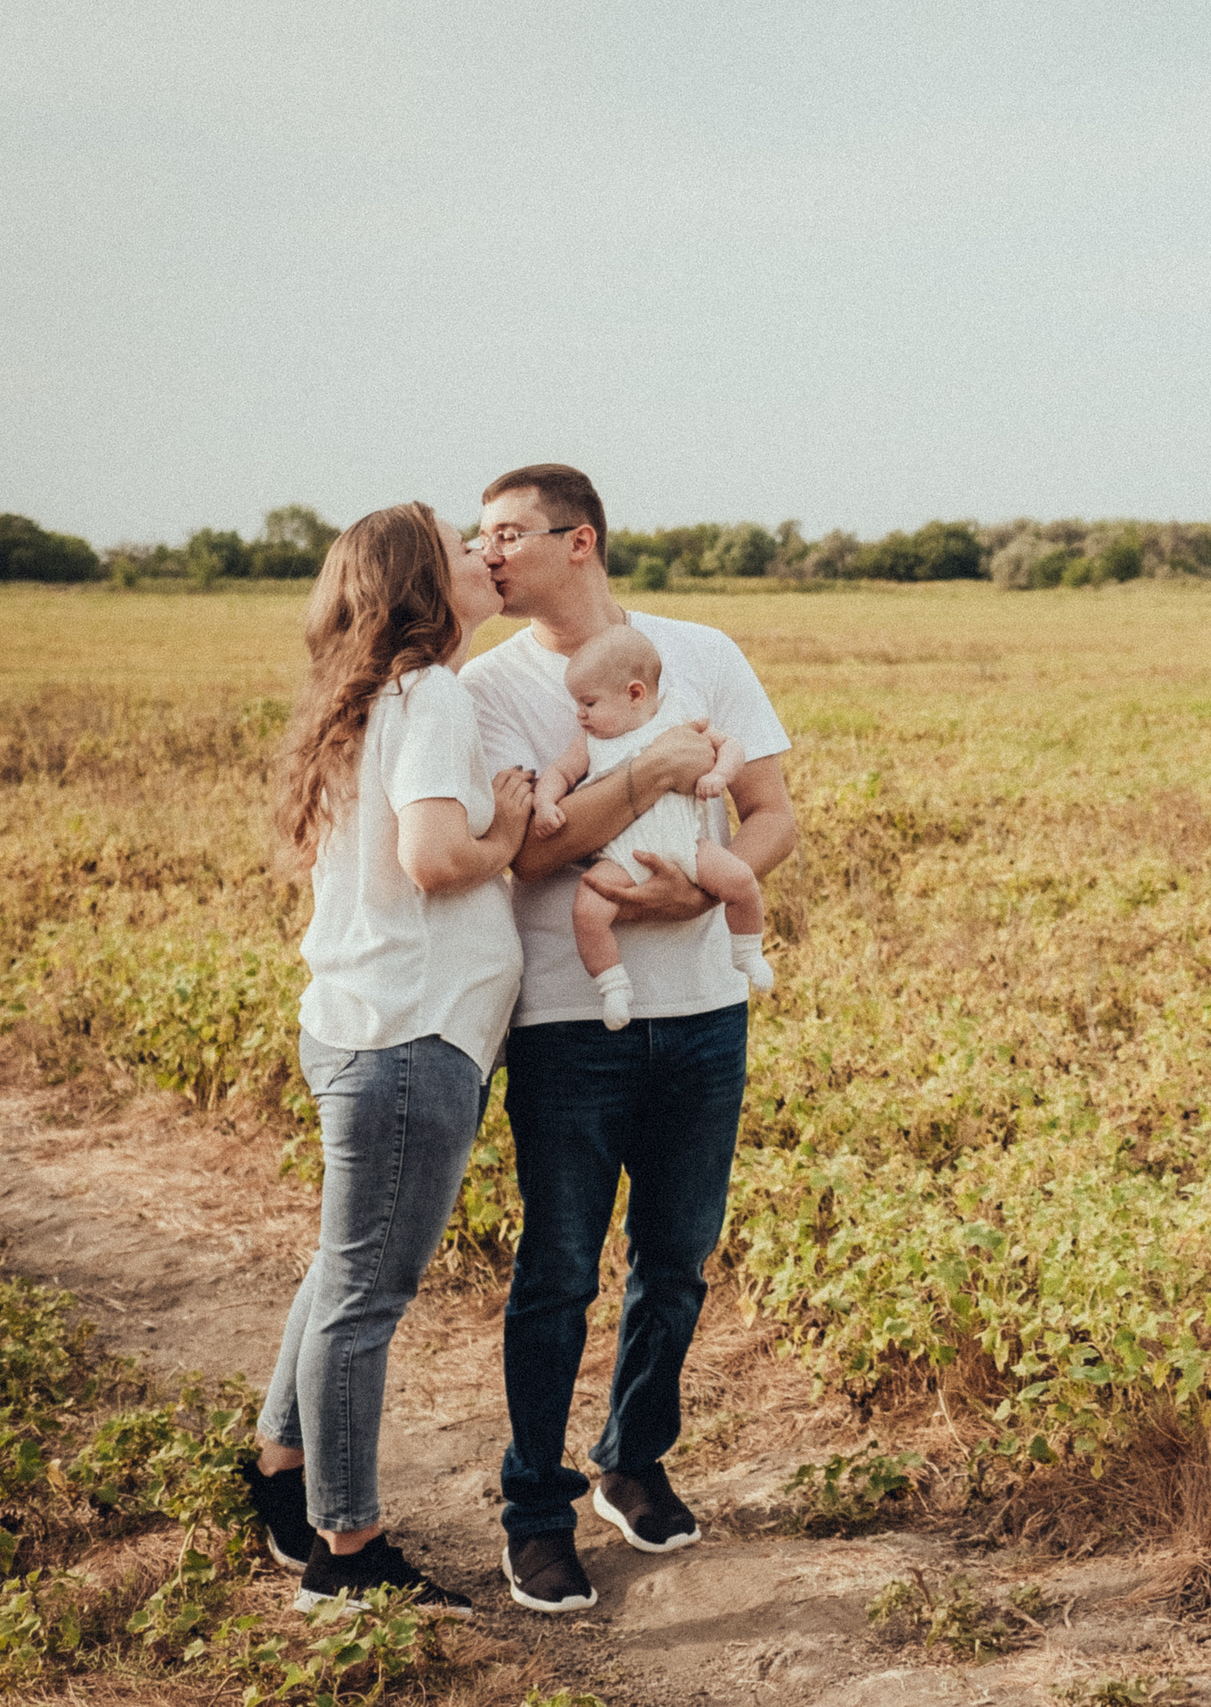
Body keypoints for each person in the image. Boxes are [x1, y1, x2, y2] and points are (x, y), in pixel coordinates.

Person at [460, 464, 796, 1615]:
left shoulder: (702, 650)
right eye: (478, 535)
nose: (485, 553)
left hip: (704, 1014)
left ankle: (632, 1458)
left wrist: (712, 893)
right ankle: (535, 1513)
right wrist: (648, 772)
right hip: (567, 1022)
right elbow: (531, 855)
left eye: (506, 534)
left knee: (676, 1261)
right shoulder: (492, 688)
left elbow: (773, 811)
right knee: (554, 1275)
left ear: (580, 540)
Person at [239, 501, 533, 1616]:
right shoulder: (432, 693)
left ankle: (279, 1466)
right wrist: (504, 828)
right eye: (467, 548)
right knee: (365, 1295)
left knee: (340, 1265)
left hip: (361, 1024)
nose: (487, 557)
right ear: (424, 580)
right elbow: (435, 857)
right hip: (409, 1036)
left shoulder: (368, 698)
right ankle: (346, 1555)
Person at [530, 623, 775, 1029]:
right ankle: (613, 985)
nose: (580, 714)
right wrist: (544, 802)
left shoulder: (677, 716)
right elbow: (559, 773)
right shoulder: (590, 742)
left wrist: (720, 776)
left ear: (634, 693)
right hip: (623, 854)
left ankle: (747, 950)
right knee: (588, 910)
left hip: (688, 844)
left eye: (589, 703)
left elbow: (730, 747)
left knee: (741, 880)